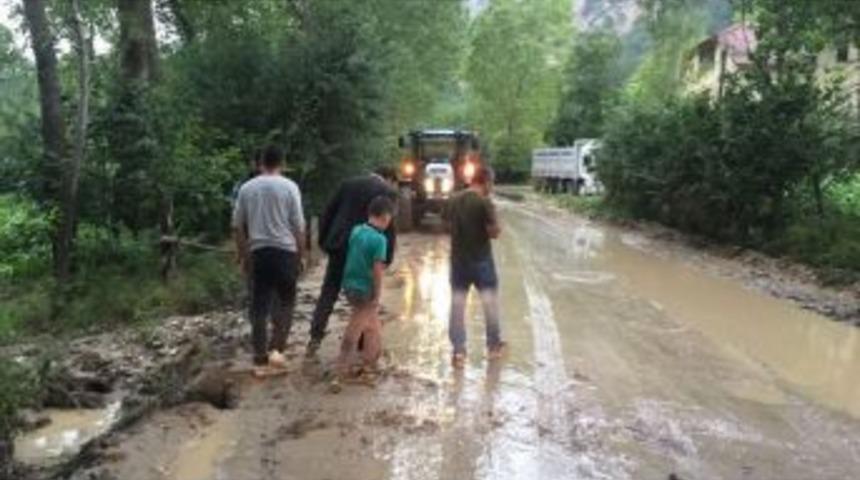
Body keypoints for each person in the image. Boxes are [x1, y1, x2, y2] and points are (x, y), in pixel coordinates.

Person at [307, 167, 398, 356]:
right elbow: (389, 228)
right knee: (365, 296)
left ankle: (315, 338)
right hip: (365, 252)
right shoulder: (385, 191)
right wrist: (386, 259)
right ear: (389, 179)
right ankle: (361, 345)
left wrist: (324, 241)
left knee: (329, 292)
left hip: (340, 247)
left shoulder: (348, 184)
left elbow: (328, 212)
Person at [232, 144, 305, 374]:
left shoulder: (247, 189)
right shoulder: (290, 187)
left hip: (259, 253)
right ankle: (277, 350)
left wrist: (244, 256)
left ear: (260, 162)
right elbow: (299, 227)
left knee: (258, 306)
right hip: (285, 253)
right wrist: (300, 256)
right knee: (286, 303)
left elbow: (237, 227)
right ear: (282, 163)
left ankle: (259, 357)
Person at [447, 166, 505, 368]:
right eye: (492, 183)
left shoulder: (453, 199)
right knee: (489, 304)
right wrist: (494, 217)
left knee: (457, 305)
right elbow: (495, 232)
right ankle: (493, 348)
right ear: (486, 181)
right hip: (481, 262)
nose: (492, 187)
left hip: (458, 261)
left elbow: (445, 223)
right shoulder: (484, 202)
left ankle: (459, 351)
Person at [334, 196, 394, 380]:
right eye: (390, 218)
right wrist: (377, 294)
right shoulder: (380, 240)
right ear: (385, 217)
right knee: (356, 326)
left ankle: (371, 361)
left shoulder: (357, 230)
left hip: (349, 284)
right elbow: (377, 270)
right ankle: (342, 365)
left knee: (372, 325)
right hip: (365, 289)